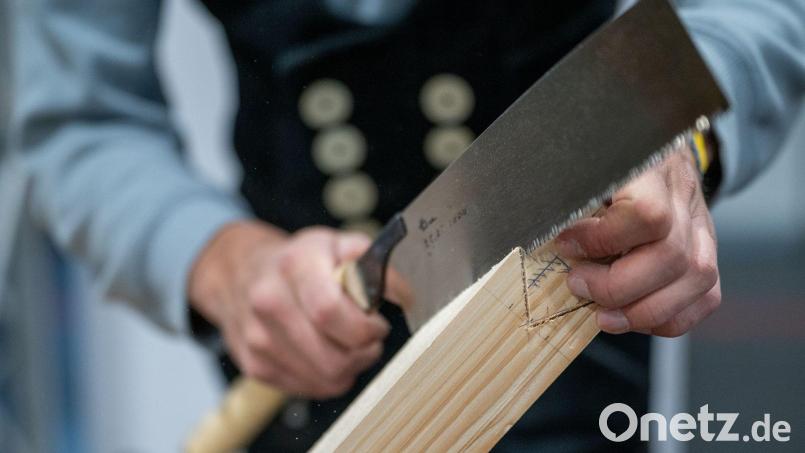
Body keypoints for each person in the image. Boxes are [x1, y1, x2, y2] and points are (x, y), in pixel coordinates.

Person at [2, 0, 803, 450]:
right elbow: (82, 118)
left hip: (576, 353)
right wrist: (224, 263)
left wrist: (678, 132)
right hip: (304, 373)